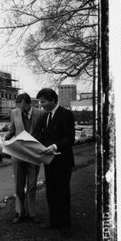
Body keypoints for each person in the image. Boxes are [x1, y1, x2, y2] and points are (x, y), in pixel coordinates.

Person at [34, 87, 76, 230]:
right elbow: (43, 137)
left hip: (63, 162)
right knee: (51, 193)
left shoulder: (66, 114)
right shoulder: (45, 116)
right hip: (49, 161)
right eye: (40, 102)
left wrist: (55, 146)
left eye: (43, 102)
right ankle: (54, 222)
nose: (41, 105)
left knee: (62, 193)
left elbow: (70, 138)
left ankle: (65, 226)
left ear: (52, 100)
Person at [7, 92, 40, 223]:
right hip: (18, 155)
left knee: (32, 186)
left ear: (30, 104)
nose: (22, 110)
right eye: (19, 107)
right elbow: (12, 130)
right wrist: (5, 139)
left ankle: (32, 213)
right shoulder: (14, 113)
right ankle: (20, 212)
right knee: (18, 186)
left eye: (24, 107)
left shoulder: (40, 114)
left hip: (33, 156)